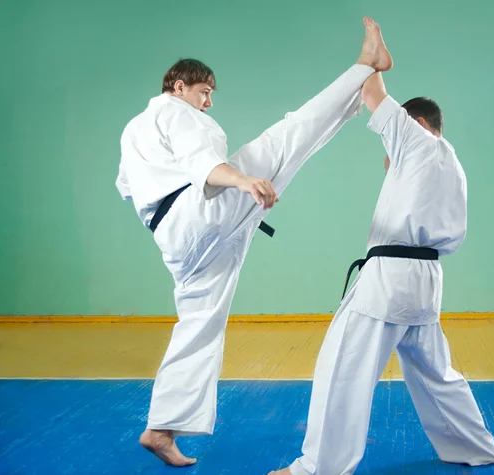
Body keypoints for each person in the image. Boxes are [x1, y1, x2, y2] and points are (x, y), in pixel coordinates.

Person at [116, 17, 393, 467]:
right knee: (287, 138)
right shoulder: (173, 111)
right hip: (199, 210)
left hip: (173, 238)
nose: (207, 103)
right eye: (204, 92)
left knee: (198, 324)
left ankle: (160, 428)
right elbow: (203, 164)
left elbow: (127, 187)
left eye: (210, 96)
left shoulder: (133, 130)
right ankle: (364, 67)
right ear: (178, 85)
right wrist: (242, 182)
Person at [269, 73, 494, 475]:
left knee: (340, 369)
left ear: (418, 124)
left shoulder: (416, 142)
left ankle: (315, 469)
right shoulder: (450, 164)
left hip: (390, 280)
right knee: (435, 374)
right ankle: (475, 447)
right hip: (425, 279)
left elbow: (373, 92)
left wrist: (371, 61)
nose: (387, 154)